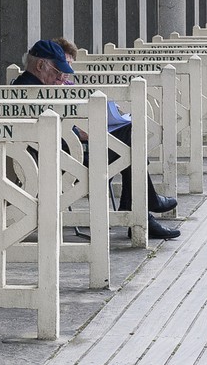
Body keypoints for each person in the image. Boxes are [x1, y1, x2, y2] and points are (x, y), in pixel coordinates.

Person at [13, 38, 180, 240]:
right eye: (58, 73)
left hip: (59, 155)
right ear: (40, 65)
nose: (61, 80)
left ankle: (141, 208)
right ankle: (142, 207)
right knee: (130, 145)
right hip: (63, 161)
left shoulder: (28, 86)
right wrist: (80, 132)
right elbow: (50, 134)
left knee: (129, 138)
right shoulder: (34, 92)